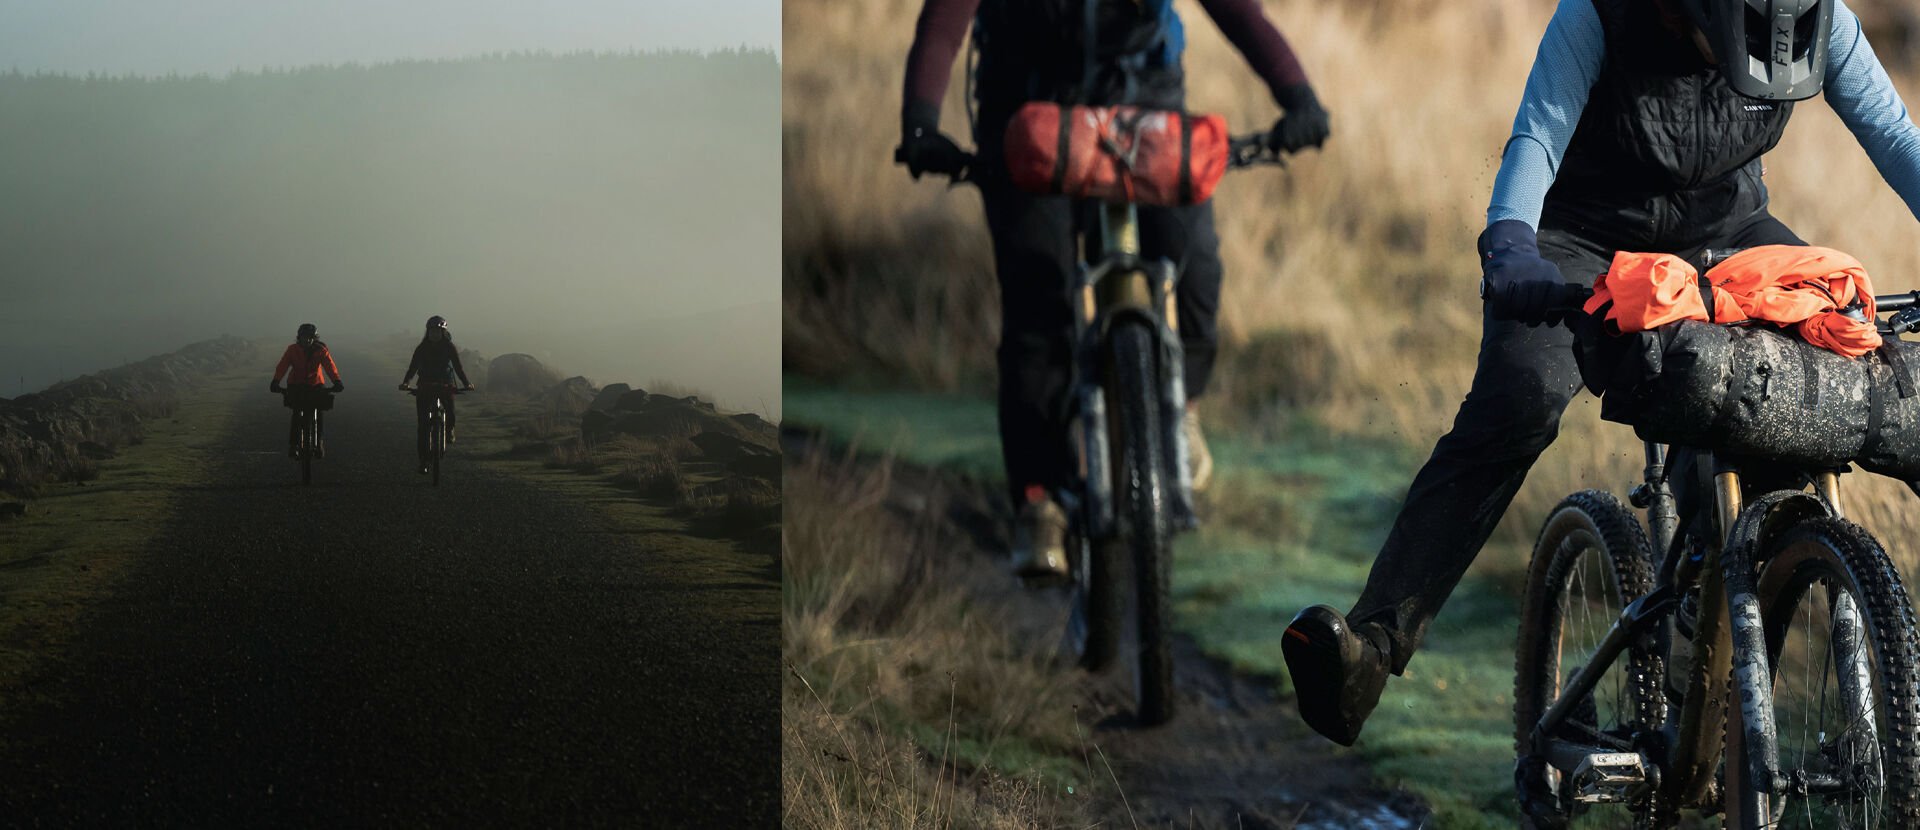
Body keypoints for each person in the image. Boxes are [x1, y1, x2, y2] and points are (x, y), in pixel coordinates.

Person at [1282, 0, 1920, 747]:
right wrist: (1511, 243)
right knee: (1519, 400)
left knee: (1800, 404)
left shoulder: (1818, 18)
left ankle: (1703, 627)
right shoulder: (1601, 14)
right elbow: (1536, 141)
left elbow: (1894, 136)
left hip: (1727, 240)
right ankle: (1373, 647)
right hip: (1583, 241)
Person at [896, 0, 1332, 578]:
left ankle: (1186, 409)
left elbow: (1235, 10)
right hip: (1028, 100)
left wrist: (1297, 95)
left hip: (1141, 91)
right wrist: (922, 122)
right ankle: (1039, 500)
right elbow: (947, 18)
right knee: (1038, 297)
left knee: (1193, 259)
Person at [398, 315, 474, 474]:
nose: (434, 334)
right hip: (425, 385)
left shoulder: (449, 347)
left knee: (451, 413)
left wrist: (466, 383)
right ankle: (424, 461)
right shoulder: (422, 348)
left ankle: (449, 429)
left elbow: (458, 368)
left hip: (445, 384)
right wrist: (406, 382)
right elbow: (413, 367)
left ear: (443, 332)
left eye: (437, 331)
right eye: (432, 331)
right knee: (423, 427)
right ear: (428, 332)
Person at [270, 323, 345, 458]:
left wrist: (337, 381)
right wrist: (276, 381)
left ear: (314, 338)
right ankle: (294, 445)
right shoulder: (292, 350)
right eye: (305, 337)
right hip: (296, 384)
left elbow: (329, 366)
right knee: (297, 412)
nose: (308, 340)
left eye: (311, 338)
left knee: (319, 410)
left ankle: (319, 442)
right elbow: (283, 365)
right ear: (300, 337)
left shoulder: (321, 350)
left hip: (315, 384)